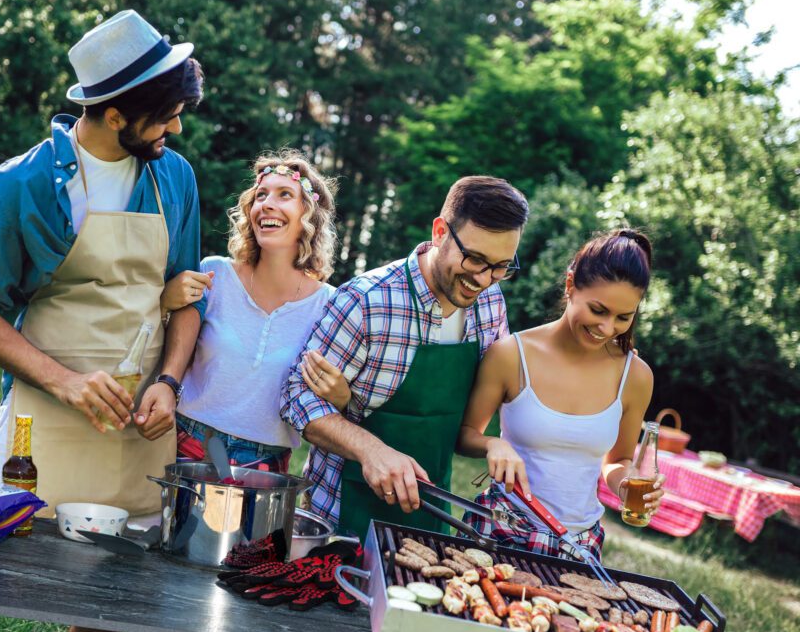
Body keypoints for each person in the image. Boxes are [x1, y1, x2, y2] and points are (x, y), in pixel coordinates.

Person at [0, 11, 205, 632]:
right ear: (118, 114)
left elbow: (187, 296)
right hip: (40, 428)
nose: (177, 127)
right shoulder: (20, 185)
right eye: (167, 114)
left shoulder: (174, 179)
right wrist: (65, 381)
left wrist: (169, 380)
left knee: (106, 603)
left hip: (137, 434)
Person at [157, 152, 344, 632]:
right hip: (193, 446)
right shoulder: (214, 275)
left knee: (235, 608)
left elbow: (328, 393)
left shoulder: (329, 303)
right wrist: (167, 298)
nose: (269, 203)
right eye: (261, 195)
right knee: (177, 600)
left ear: (310, 214)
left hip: (267, 470)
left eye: (286, 195)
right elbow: (166, 331)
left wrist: (341, 396)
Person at [281, 176, 528, 537]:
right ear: (441, 231)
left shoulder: (490, 306)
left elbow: (480, 410)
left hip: (430, 521)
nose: (484, 279)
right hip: (340, 515)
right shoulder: (367, 301)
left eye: (501, 266)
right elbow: (296, 396)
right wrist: (370, 450)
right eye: (475, 259)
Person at [457, 229, 664, 560]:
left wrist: (625, 484)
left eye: (623, 317)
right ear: (571, 286)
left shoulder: (636, 377)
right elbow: (465, 436)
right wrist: (494, 443)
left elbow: (618, 461)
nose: (607, 328)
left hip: (580, 544)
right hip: (502, 528)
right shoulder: (511, 355)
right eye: (598, 310)